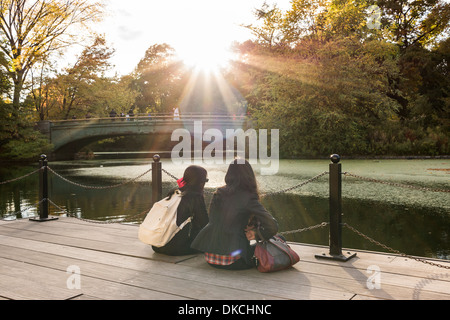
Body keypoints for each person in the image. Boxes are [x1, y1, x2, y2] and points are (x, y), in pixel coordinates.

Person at [191, 159, 278, 270]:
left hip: (210, 257)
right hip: (233, 261)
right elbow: (273, 226)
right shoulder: (248, 197)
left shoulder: (218, 193)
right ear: (249, 175)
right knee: (279, 239)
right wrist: (256, 234)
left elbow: (216, 220)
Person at [152, 165, 209, 256]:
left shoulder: (174, 192)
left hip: (157, 245)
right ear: (200, 182)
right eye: (206, 180)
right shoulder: (195, 197)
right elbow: (204, 222)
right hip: (177, 248)